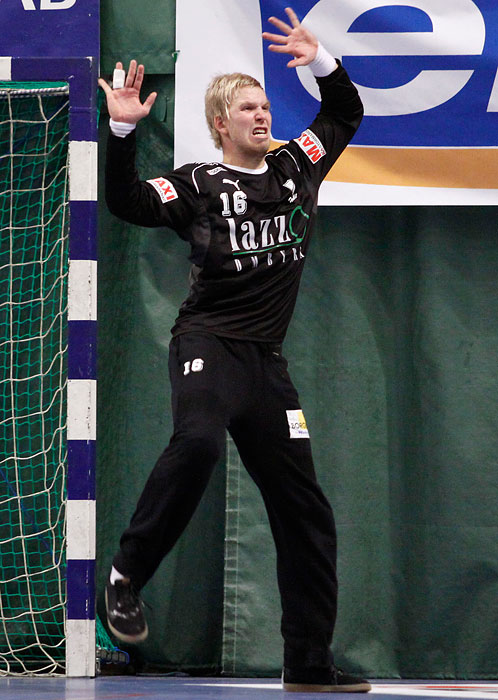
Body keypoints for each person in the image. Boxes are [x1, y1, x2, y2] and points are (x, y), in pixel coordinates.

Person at [99, 7, 368, 693]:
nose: (260, 115)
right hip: (208, 345)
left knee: (306, 512)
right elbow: (126, 200)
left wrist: (319, 59)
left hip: (267, 365)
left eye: (265, 105)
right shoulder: (197, 184)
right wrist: (124, 128)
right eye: (246, 108)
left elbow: (344, 111)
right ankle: (127, 577)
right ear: (220, 123)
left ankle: (309, 663)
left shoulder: (295, 167)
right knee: (197, 444)